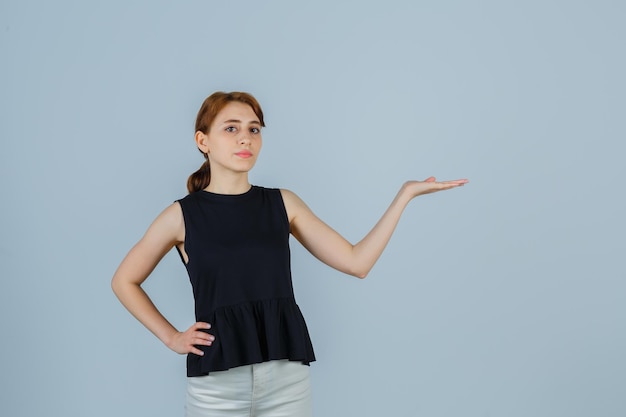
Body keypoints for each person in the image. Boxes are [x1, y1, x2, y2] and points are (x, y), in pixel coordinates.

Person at [111, 91, 468, 417]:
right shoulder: (181, 215)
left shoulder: (282, 203)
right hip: (216, 385)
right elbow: (124, 281)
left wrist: (404, 195)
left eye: (254, 129)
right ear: (202, 141)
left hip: (285, 379)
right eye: (231, 128)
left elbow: (358, 263)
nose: (245, 138)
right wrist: (172, 337)